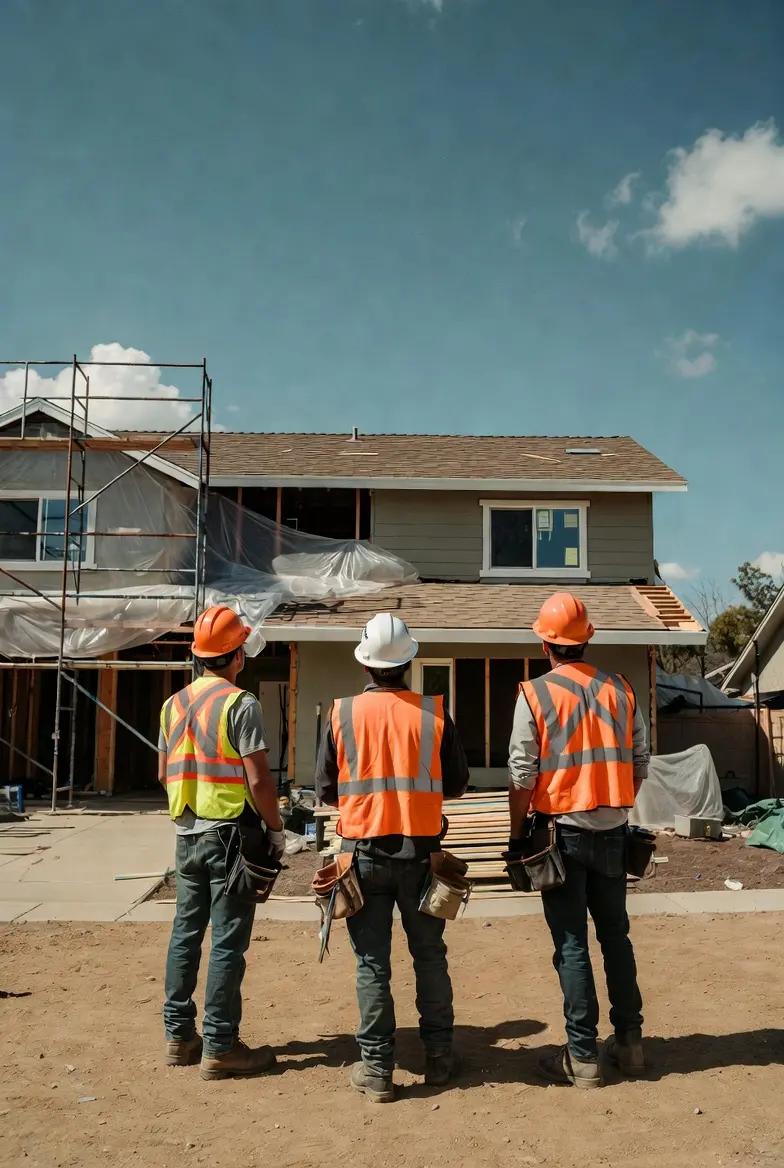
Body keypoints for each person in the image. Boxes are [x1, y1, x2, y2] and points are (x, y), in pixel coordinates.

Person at [316, 612, 470, 1103]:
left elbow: (325, 790)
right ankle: (440, 1058)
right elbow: (459, 784)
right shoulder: (435, 714)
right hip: (422, 857)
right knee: (429, 956)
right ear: (408, 661)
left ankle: (378, 1070)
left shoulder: (341, 714)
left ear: (365, 664)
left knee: (371, 964)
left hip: (362, 856)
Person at [508, 592, 649, 1089]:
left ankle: (582, 1056)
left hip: (560, 836)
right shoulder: (621, 689)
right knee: (616, 938)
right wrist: (612, 803)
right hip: (613, 833)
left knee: (571, 945)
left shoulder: (535, 694)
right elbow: (639, 762)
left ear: (545, 644)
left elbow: (523, 774)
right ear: (587, 638)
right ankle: (630, 1045)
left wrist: (515, 832)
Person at [159, 604, 287, 1081]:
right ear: (237, 655)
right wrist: (275, 829)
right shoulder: (240, 703)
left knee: (185, 933)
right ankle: (221, 1045)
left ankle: (179, 1036)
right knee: (228, 942)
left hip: (186, 833)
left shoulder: (172, 705)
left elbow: (162, 772)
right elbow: (258, 777)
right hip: (229, 833)